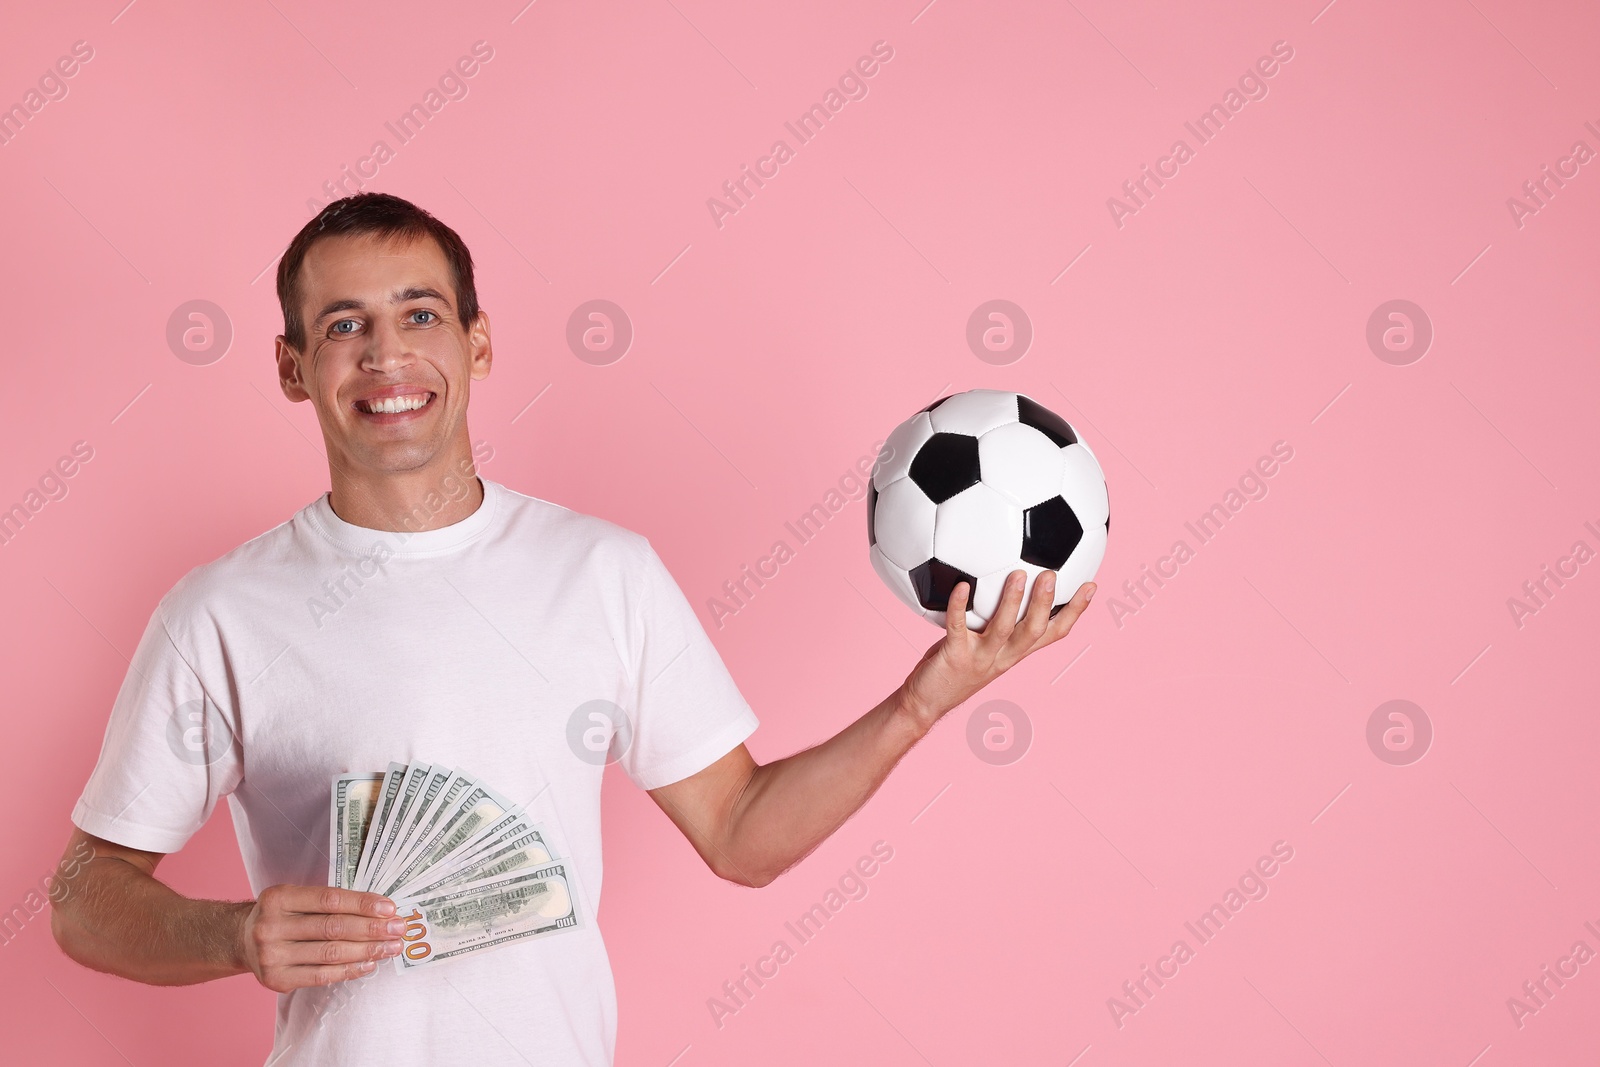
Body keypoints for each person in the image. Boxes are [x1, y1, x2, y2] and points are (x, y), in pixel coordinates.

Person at [50, 192, 1095, 1065]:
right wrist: (232, 932)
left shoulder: (604, 571)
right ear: (292, 367)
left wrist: (924, 699)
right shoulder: (220, 610)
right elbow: (83, 898)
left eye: (418, 314)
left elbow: (740, 834)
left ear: (478, 340)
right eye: (342, 325)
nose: (383, 354)